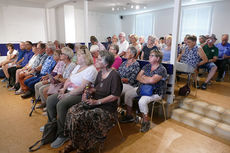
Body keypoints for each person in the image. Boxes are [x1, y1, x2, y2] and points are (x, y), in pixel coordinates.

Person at [59, 51, 123, 153]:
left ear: (106, 64)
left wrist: (97, 102)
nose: (96, 61)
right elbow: (96, 89)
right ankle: (74, 142)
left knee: (83, 117)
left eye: (99, 59)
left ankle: (85, 146)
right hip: (94, 102)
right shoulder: (100, 73)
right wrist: (88, 91)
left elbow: (115, 96)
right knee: (72, 111)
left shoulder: (114, 76)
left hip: (107, 108)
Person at [45, 48, 98, 149]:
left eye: (78, 55)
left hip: (80, 95)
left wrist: (67, 95)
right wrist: (63, 89)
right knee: (51, 100)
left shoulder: (91, 69)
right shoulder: (77, 66)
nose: (75, 57)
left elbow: (82, 88)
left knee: (61, 104)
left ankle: (62, 134)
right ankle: (52, 125)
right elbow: (69, 79)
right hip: (69, 91)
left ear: (85, 57)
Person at [120, 49, 167, 133]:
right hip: (143, 88)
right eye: (149, 55)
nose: (149, 57)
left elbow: (153, 81)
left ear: (158, 58)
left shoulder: (161, 69)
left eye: (152, 56)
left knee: (142, 101)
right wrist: (147, 79)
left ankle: (146, 122)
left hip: (155, 92)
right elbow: (138, 77)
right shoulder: (147, 66)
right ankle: (129, 115)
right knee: (128, 94)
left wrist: (144, 78)